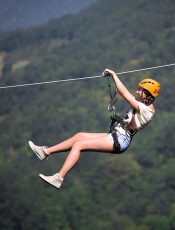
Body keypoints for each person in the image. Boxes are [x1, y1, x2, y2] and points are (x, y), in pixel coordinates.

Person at [29, 68, 160, 188]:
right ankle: (45, 152)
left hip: (120, 140)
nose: (137, 91)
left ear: (148, 94)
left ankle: (58, 178)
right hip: (116, 135)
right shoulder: (143, 105)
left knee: (79, 145)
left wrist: (114, 75)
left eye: (140, 90)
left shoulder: (145, 110)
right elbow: (126, 93)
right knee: (79, 136)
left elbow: (124, 93)